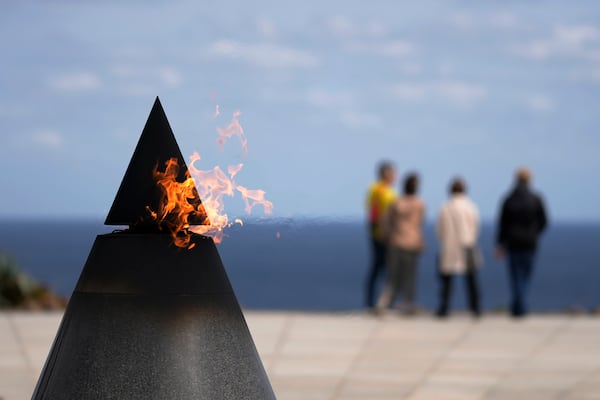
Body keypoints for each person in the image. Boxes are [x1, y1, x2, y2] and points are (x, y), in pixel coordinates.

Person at [496, 167, 548, 318]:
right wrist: (534, 233)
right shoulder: (536, 198)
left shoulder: (508, 199)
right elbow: (544, 221)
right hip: (530, 243)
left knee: (515, 276)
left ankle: (518, 306)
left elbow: (502, 223)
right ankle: (521, 306)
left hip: (513, 243)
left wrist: (500, 243)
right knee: (525, 275)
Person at [376, 173, 425, 315]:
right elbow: (418, 224)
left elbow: (385, 221)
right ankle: (407, 303)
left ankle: (383, 302)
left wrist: (385, 237)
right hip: (412, 242)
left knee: (392, 276)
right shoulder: (419, 204)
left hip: (395, 242)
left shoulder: (396, 203)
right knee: (410, 276)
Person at [436, 178, 482, 318]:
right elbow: (475, 227)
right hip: (467, 244)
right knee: (471, 280)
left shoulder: (445, 207)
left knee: (446, 280)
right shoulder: (470, 207)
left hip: (449, 245)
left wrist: (444, 239)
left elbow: (440, 230)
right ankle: (475, 308)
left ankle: (444, 308)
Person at [365, 161, 397, 310]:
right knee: (380, 268)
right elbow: (374, 213)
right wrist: (379, 232)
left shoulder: (387, 191)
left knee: (384, 268)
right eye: (393, 173)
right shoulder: (379, 190)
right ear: (386, 174)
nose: (395, 176)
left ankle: (382, 301)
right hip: (381, 235)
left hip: (386, 234)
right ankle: (376, 302)